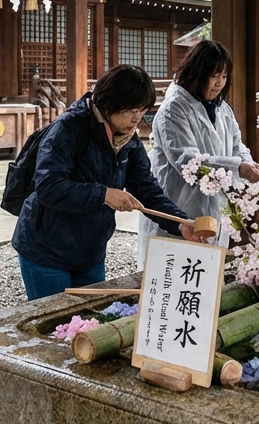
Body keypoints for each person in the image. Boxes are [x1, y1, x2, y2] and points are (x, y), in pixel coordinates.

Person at [11, 64, 201, 300]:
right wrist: (103, 194)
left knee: (90, 323)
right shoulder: (68, 128)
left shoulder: (128, 139)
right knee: (55, 326)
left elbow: (145, 187)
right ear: (109, 103)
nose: (137, 118)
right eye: (130, 110)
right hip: (47, 249)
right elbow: (49, 186)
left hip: (91, 251)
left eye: (142, 110)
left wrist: (179, 222)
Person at [138, 40, 259, 269]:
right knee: (173, 277)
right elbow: (188, 162)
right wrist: (238, 168)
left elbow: (237, 146)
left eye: (225, 76)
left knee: (204, 279)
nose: (220, 83)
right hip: (179, 206)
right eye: (214, 76)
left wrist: (248, 164)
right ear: (197, 73)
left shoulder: (221, 108)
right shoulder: (173, 110)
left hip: (213, 208)